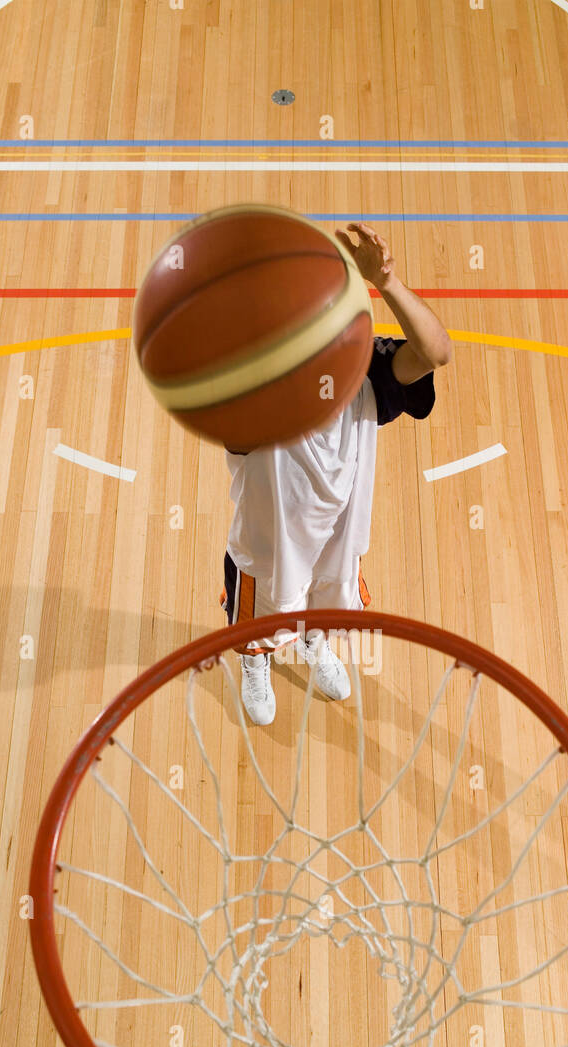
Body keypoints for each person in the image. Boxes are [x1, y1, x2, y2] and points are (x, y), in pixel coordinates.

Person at [220, 222, 452, 724]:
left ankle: (313, 642)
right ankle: (255, 660)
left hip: (334, 542)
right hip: (268, 550)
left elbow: (436, 352)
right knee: (258, 626)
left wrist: (387, 283)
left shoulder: (367, 372)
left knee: (323, 604)